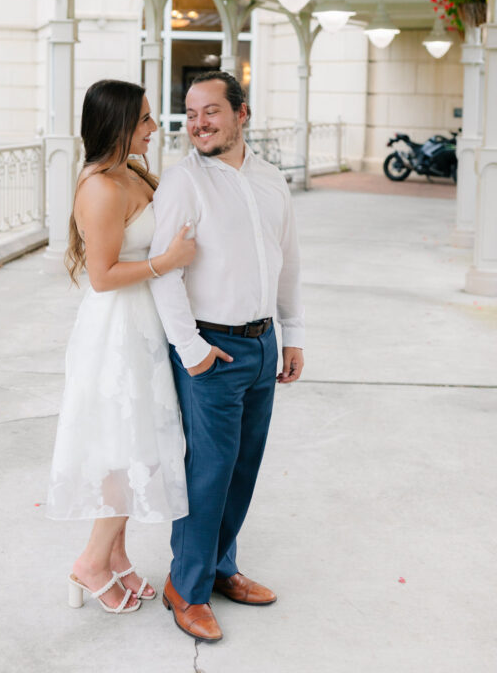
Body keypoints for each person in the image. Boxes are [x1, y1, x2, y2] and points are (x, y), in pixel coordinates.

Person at [149, 71, 304, 642]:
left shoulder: (269, 179)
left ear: (243, 114)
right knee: (207, 474)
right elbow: (166, 275)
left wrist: (293, 334)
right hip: (211, 348)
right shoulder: (182, 182)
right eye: (190, 114)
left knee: (243, 468)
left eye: (211, 111)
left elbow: (286, 259)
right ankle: (185, 589)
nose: (199, 124)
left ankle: (219, 568)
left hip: (263, 345)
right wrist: (191, 350)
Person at [47, 79, 196, 615]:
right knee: (127, 450)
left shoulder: (128, 171)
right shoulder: (100, 187)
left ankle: (116, 555)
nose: (155, 129)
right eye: (146, 121)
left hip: (145, 324)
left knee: (133, 445)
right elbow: (103, 276)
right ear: (118, 126)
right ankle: (89, 563)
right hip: (118, 330)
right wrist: (168, 261)